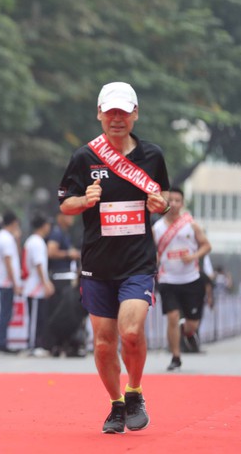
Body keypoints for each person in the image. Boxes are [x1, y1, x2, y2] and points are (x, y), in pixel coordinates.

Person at [58, 81, 170, 434]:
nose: (117, 119)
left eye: (124, 112)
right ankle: (116, 404)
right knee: (105, 342)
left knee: (131, 331)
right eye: (110, 113)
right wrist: (85, 200)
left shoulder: (152, 156)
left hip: (137, 262)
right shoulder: (84, 157)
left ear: (135, 114)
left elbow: (163, 198)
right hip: (97, 264)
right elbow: (65, 204)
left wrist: (160, 204)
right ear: (99, 115)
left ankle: (134, 391)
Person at [153, 187, 212, 370]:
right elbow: (152, 252)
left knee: (191, 324)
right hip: (168, 279)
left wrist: (194, 257)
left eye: (178, 201)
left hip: (191, 279)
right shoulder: (157, 228)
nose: (174, 204)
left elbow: (206, 246)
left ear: (183, 203)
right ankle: (175, 357)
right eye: (170, 200)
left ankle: (188, 333)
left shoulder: (191, 224)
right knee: (172, 317)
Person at [45, 212, 85, 357]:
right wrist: (69, 254)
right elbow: (51, 251)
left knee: (70, 314)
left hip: (67, 278)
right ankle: (57, 344)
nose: (71, 219)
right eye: (68, 215)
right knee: (61, 314)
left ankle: (68, 344)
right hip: (59, 279)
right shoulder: (56, 233)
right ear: (60, 216)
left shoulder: (64, 233)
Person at [22, 213, 55, 356]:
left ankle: (38, 344)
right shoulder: (37, 242)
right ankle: (33, 345)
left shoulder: (34, 241)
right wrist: (46, 283)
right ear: (43, 225)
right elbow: (39, 264)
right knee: (35, 317)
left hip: (36, 286)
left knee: (39, 317)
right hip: (34, 287)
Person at [0, 209, 23, 353]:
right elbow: (8, 261)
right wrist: (15, 282)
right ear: (14, 222)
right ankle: (2, 343)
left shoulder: (7, 237)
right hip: (6, 281)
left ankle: (3, 342)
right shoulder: (4, 237)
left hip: (7, 281)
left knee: (6, 312)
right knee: (5, 312)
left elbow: (14, 256)